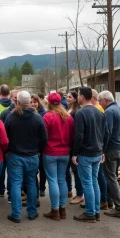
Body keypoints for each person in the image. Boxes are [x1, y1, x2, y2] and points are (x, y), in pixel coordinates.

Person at [5, 91, 47, 223]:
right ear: (29, 102)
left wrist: (7, 150)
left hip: (15, 155)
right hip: (32, 155)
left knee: (16, 184)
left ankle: (16, 213)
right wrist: (38, 150)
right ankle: (32, 212)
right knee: (31, 183)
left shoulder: (11, 117)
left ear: (17, 102)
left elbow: (5, 137)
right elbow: (44, 138)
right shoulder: (37, 117)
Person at [72, 87, 109, 223]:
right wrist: (103, 150)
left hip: (86, 153)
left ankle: (90, 213)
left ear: (82, 96)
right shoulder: (100, 112)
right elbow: (106, 133)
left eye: (79, 95)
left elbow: (79, 135)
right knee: (94, 182)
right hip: (97, 152)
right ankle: (96, 211)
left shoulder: (80, 114)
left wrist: (75, 153)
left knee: (88, 183)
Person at [42, 92, 74, 221]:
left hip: (50, 152)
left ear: (49, 103)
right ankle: (63, 209)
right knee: (62, 179)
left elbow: (44, 136)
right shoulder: (68, 117)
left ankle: (54, 210)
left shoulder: (47, 117)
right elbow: (72, 136)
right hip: (64, 152)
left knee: (53, 180)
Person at [99, 90, 120, 219]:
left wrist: (103, 149)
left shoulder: (109, 112)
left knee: (110, 177)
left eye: (100, 102)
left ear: (105, 100)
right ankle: (111, 203)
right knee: (113, 176)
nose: (100, 104)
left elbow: (107, 132)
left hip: (111, 149)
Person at [0, 89, 18, 199]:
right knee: (2, 169)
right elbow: (1, 130)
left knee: (11, 172)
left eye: (17, 97)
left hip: (14, 147)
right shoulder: (5, 113)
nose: (15, 99)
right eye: (14, 97)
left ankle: (10, 194)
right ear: (11, 97)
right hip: (5, 146)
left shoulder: (21, 112)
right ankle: (1, 189)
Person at [91, 89, 108, 211]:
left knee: (98, 176)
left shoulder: (97, 110)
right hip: (99, 147)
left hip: (96, 147)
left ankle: (102, 200)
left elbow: (102, 131)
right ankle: (102, 200)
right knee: (97, 176)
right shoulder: (99, 109)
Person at [66, 91, 84, 204]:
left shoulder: (76, 112)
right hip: (69, 144)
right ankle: (71, 190)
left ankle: (80, 194)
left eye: (69, 97)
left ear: (75, 99)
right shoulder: (69, 109)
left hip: (73, 145)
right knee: (70, 170)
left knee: (76, 171)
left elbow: (76, 132)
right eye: (67, 96)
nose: (67, 98)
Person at [31, 94, 47, 198]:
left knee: (42, 168)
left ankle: (42, 188)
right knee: (33, 171)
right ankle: (35, 189)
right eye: (31, 102)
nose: (33, 104)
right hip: (32, 146)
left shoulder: (43, 114)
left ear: (38, 103)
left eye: (35, 102)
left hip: (41, 146)